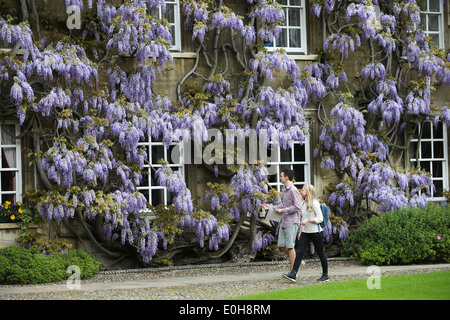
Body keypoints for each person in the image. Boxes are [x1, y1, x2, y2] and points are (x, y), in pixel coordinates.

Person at [282, 184, 329, 283]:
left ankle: (325, 275)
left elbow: (320, 218)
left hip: (316, 232)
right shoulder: (303, 203)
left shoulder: (315, 203)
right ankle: (293, 274)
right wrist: (300, 231)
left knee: (320, 253)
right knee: (299, 252)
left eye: (303, 190)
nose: (301, 191)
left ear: (307, 192)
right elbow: (302, 219)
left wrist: (308, 220)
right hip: (305, 232)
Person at [262, 169, 302, 271]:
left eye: (281, 176)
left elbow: (297, 207)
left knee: (290, 246)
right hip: (284, 221)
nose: (280, 178)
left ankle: (293, 271)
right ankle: (296, 260)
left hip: (292, 222)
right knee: (281, 245)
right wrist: (271, 208)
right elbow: (283, 205)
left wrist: (283, 210)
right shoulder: (284, 189)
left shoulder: (294, 190)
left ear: (286, 177)